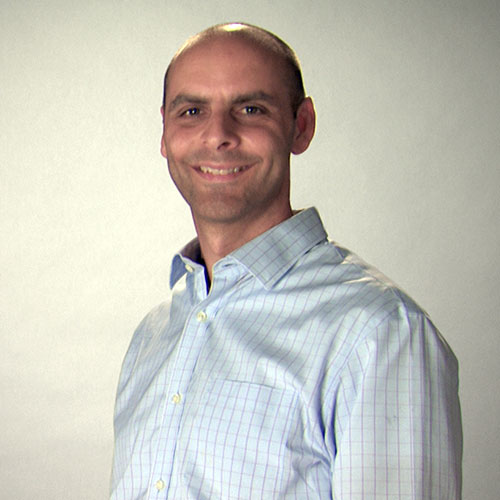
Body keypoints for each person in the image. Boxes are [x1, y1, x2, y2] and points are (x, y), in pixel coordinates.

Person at [110, 22, 462, 499]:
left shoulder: (379, 333)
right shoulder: (153, 336)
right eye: (192, 111)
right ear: (165, 131)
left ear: (302, 125)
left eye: (251, 109)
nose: (218, 135)